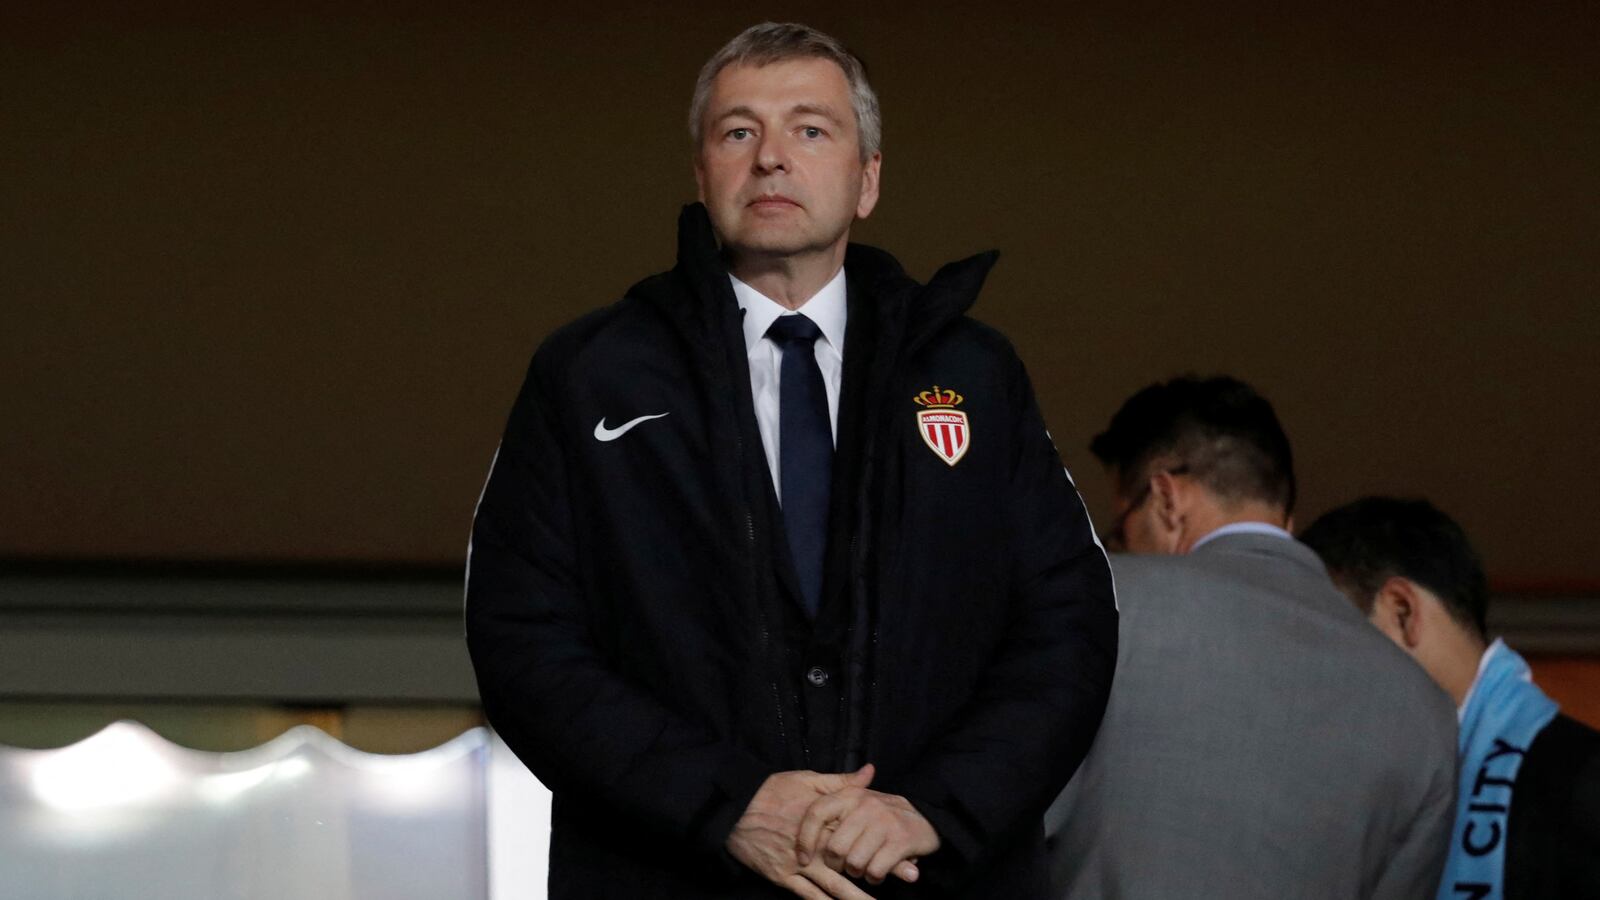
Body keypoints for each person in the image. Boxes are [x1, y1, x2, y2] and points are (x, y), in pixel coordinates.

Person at [465, 22, 1117, 900]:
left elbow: (1067, 626)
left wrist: (930, 808)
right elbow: (522, 639)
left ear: (868, 179)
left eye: (811, 129)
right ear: (702, 176)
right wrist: (727, 802)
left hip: (933, 874)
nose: (772, 158)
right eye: (739, 132)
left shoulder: (973, 375)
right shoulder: (589, 377)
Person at [1045, 375, 1458, 899]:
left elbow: (999, 825)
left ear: (1167, 498)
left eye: (1122, 531)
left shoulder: (1104, 605)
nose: (1122, 550)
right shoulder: (1424, 708)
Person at [1301, 496, 1600, 900]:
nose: (1316, 681)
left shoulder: (1580, 782)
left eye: (1328, 643)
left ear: (1402, 612)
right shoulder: (1353, 798)